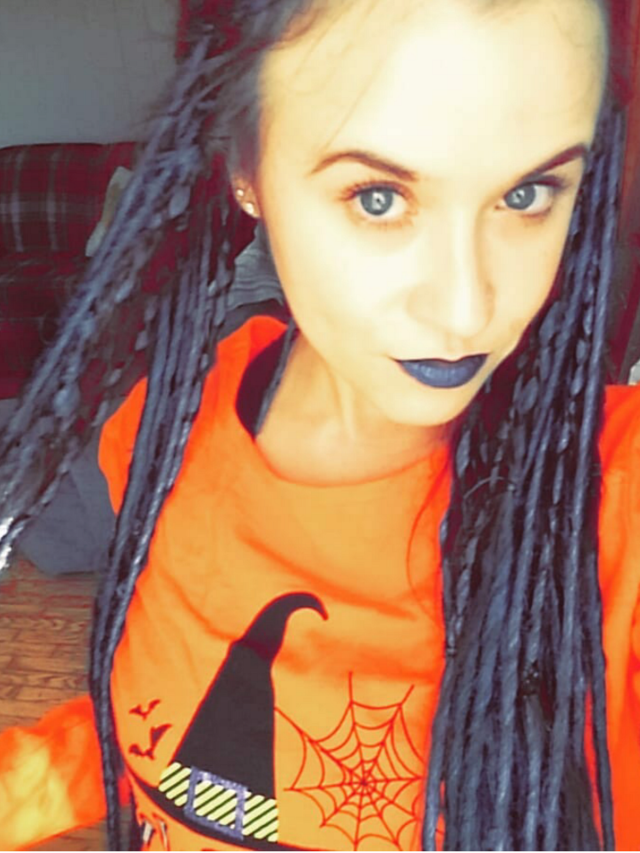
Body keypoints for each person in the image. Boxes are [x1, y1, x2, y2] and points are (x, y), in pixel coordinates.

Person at [0, 0, 637, 849]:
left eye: (527, 194)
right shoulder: (158, 431)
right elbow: (154, 730)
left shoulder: (611, 503)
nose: (466, 308)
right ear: (247, 170)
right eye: (378, 197)